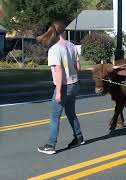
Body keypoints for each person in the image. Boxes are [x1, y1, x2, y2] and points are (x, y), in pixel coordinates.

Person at [37, 21, 85, 155]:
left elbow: (58, 71)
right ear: (64, 31)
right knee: (71, 113)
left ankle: (51, 145)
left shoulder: (54, 49)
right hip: (75, 84)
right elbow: (78, 68)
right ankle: (79, 137)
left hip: (64, 86)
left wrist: (58, 92)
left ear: (53, 32)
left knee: (54, 117)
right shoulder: (72, 46)